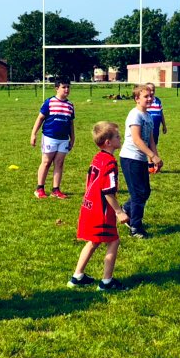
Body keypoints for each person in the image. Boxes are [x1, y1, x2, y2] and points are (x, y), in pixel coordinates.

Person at [69, 122, 131, 292]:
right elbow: (108, 191)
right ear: (108, 142)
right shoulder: (110, 163)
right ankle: (106, 282)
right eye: (117, 136)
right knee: (114, 241)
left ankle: (77, 277)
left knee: (94, 241)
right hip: (101, 212)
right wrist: (119, 212)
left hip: (89, 207)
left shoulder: (97, 158)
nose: (121, 138)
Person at [120, 84, 163, 238]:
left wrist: (155, 158)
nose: (150, 99)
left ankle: (126, 209)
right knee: (138, 194)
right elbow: (137, 140)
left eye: (151, 96)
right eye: (146, 96)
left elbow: (151, 140)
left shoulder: (148, 116)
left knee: (145, 191)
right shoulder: (135, 115)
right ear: (137, 99)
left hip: (141, 159)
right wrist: (152, 155)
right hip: (130, 158)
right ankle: (135, 227)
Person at [30, 78, 75, 199]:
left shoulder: (70, 105)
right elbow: (40, 118)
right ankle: (39, 188)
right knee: (46, 162)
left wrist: (72, 138)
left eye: (68, 87)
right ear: (57, 88)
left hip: (64, 139)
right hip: (50, 137)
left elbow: (70, 123)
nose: (66, 89)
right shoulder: (49, 102)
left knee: (59, 163)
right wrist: (33, 134)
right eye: (64, 87)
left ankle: (56, 190)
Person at [144, 82, 167, 173]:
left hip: (156, 127)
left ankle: (152, 163)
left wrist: (164, 125)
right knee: (149, 145)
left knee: (154, 144)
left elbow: (161, 113)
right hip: (148, 127)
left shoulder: (158, 101)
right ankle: (150, 164)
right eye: (150, 90)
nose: (152, 92)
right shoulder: (146, 102)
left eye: (153, 90)